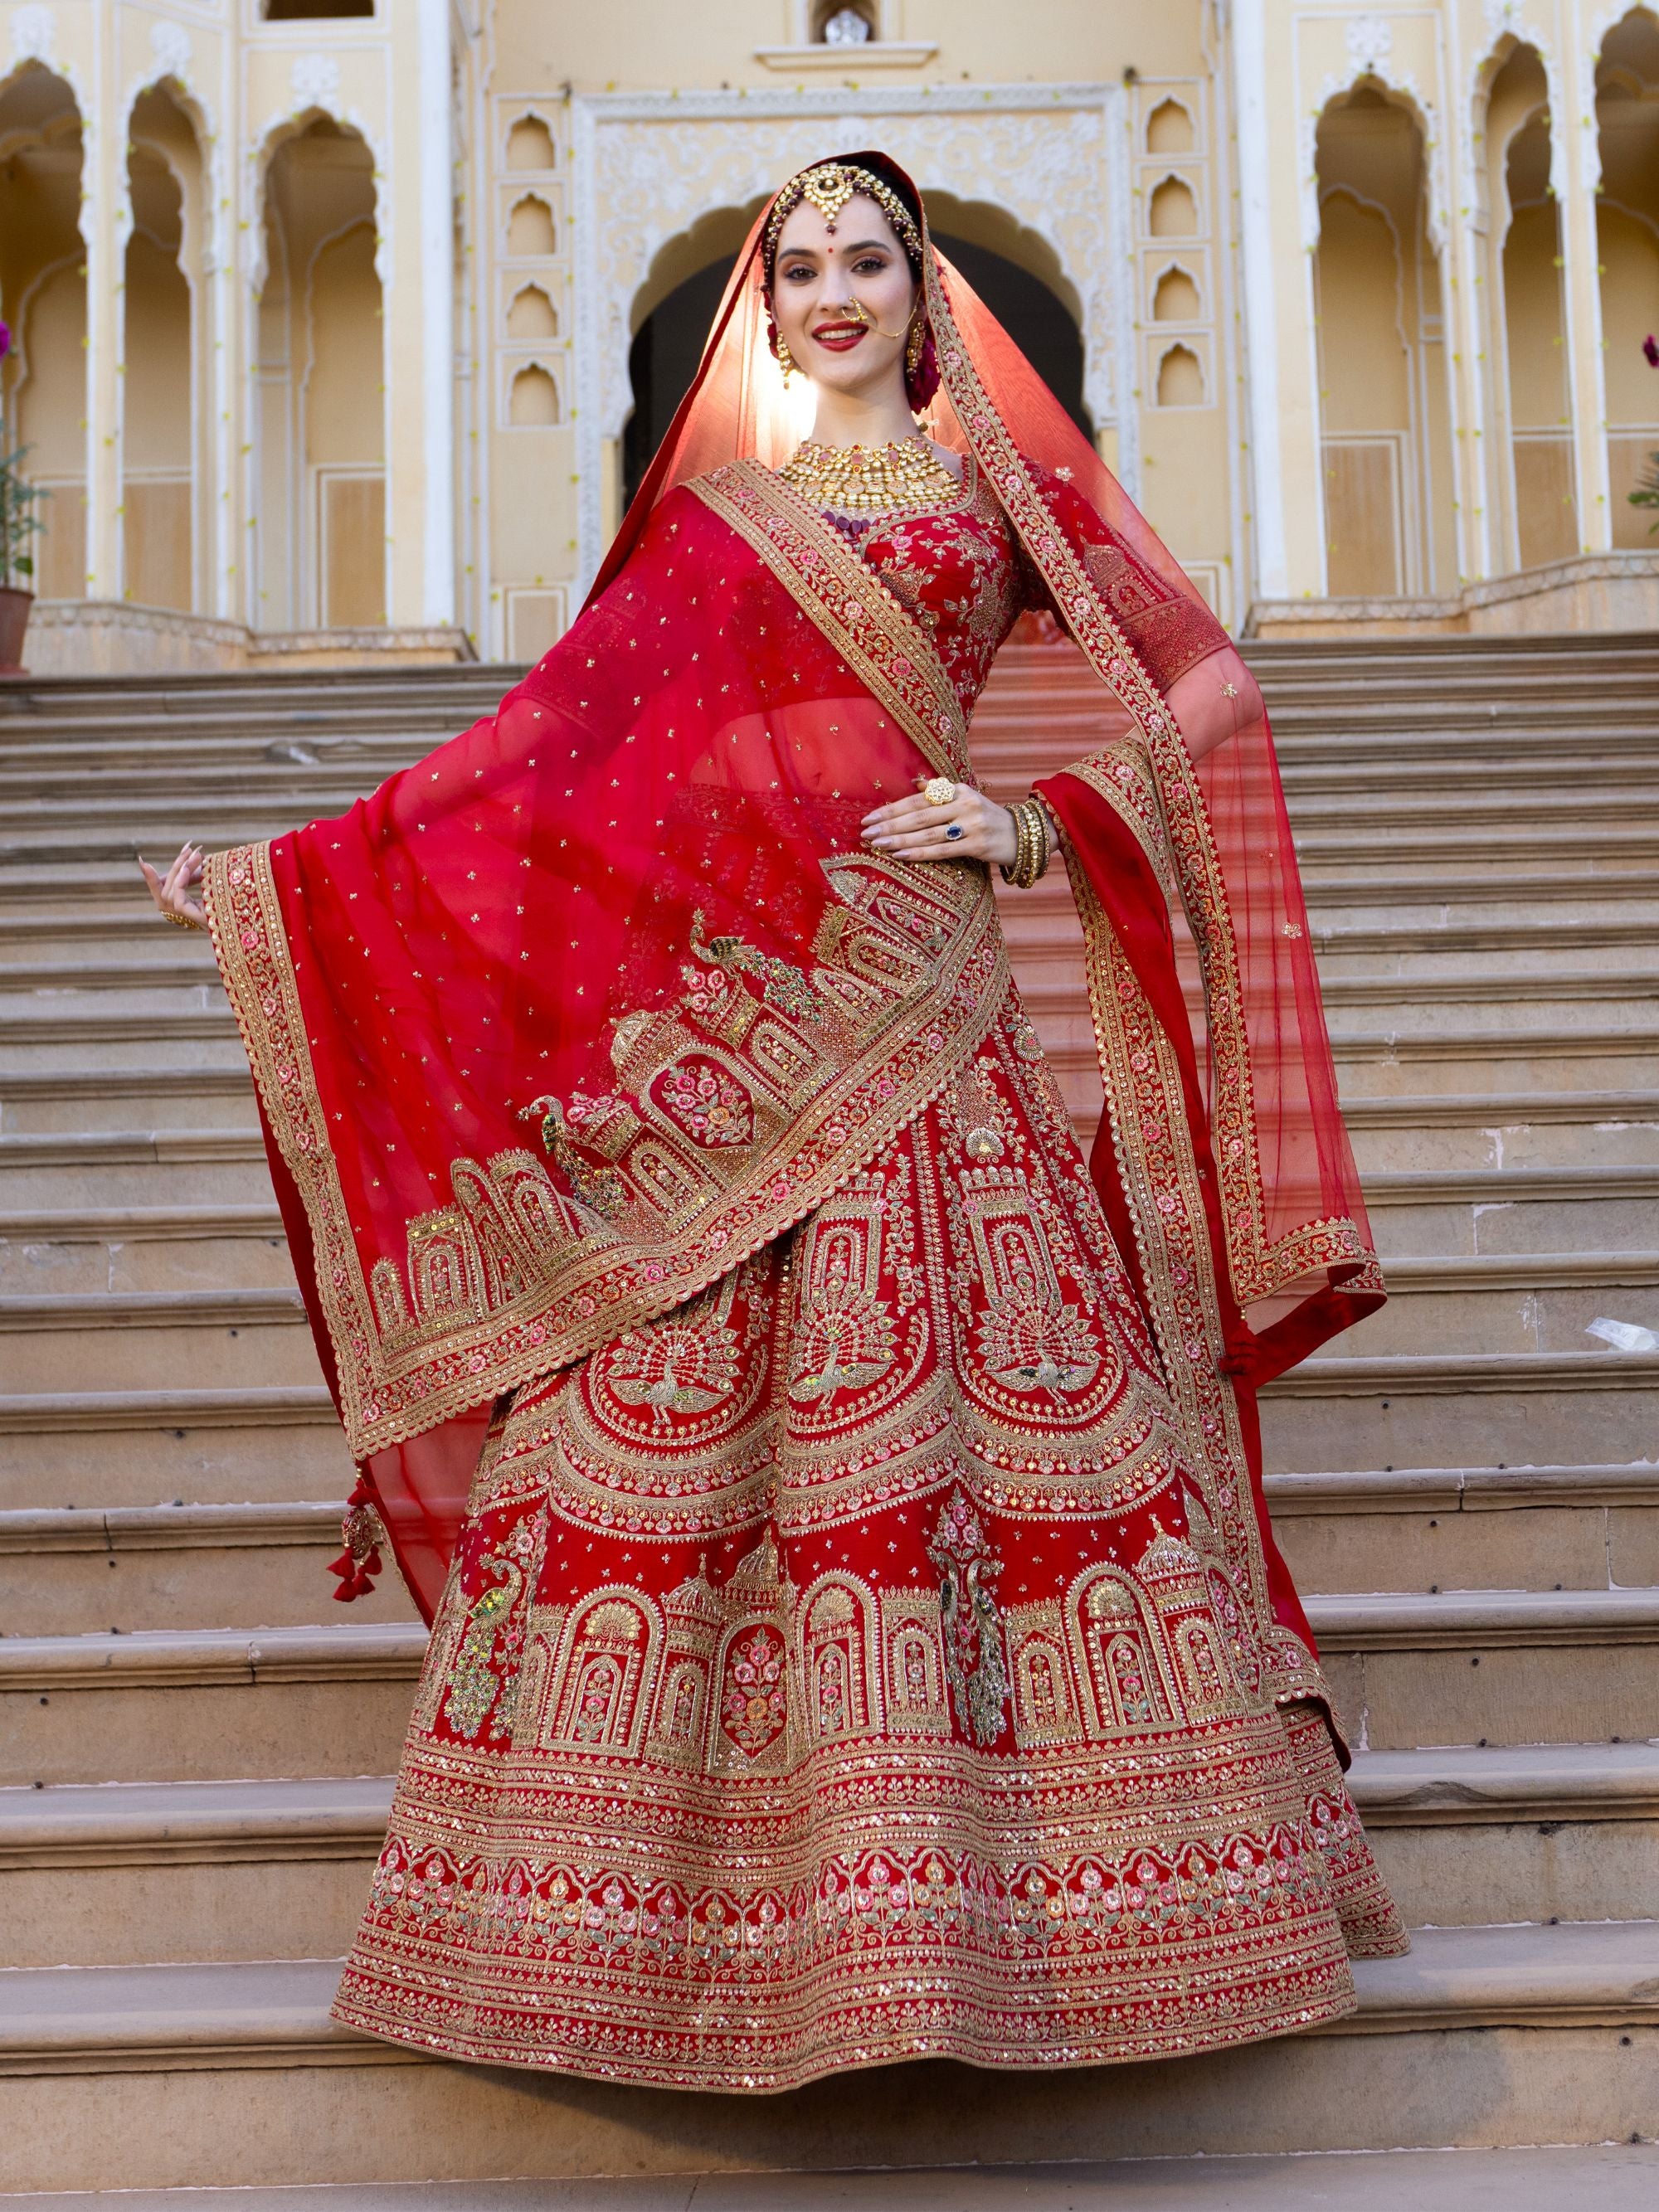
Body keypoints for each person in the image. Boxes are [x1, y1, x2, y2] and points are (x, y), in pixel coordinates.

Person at [141, 152, 1405, 2092]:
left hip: (930, 1007)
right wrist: (290, 873)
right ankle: (633, 1940)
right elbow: (556, 750)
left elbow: (1212, 680)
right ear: (763, 293)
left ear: (924, 289)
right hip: (742, 1038)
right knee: (662, 1444)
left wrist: (1032, 814)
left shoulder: (1002, 485)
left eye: (866, 262)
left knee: (998, 1442)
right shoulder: (720, 512)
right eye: (799, 265)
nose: (832, 293)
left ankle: (1075, 1918)